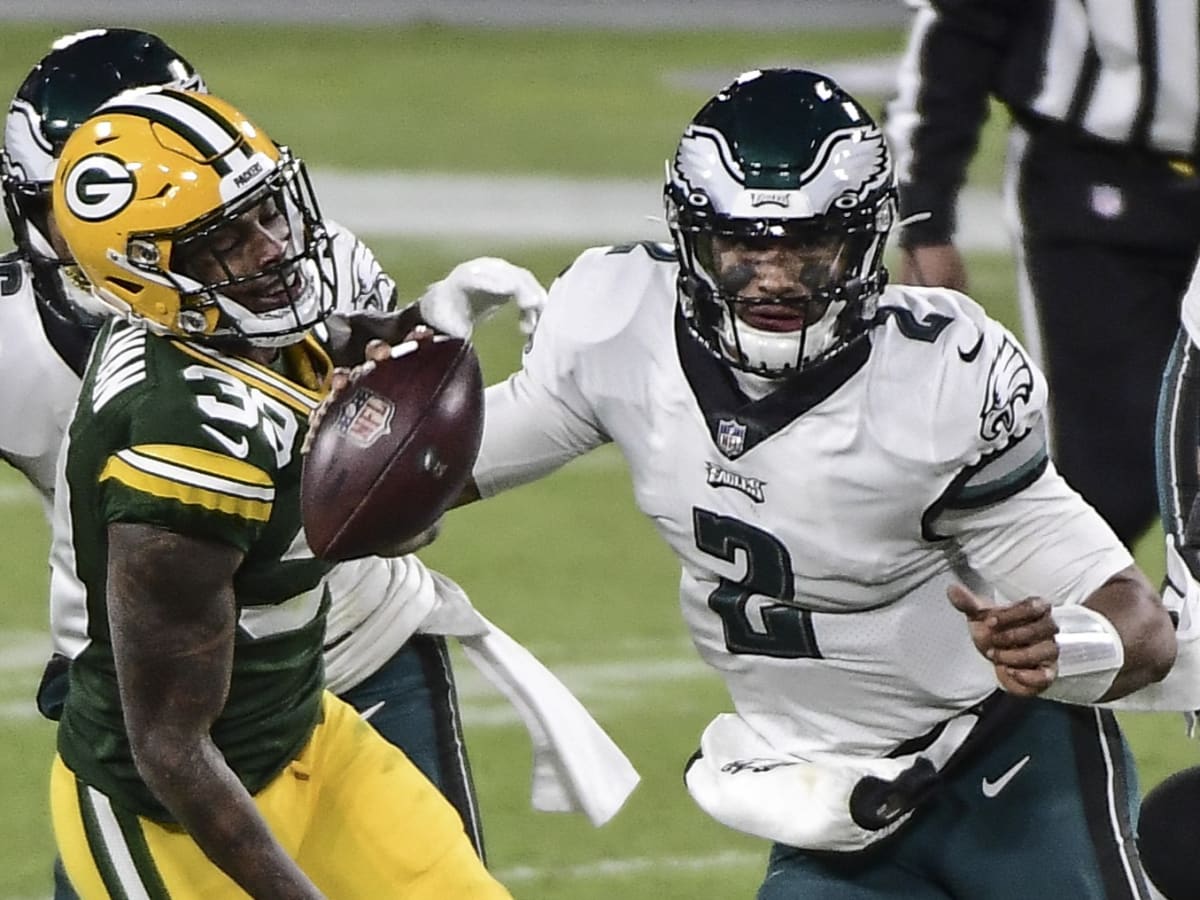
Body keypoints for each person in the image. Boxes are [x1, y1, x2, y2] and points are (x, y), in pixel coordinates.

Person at [329, 68, 1178, 898]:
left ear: (863, 239)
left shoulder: (940, 382)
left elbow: (1139, 627)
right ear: (691, 237)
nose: (773, 277)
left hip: (1007, 762)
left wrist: (1065, 647)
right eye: (744, 243)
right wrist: (354, 415)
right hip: (824, 795)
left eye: (810, 244)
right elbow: (411, 484)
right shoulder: (617, 324)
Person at [4, 27, 635, 899]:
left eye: (263, 212)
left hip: (315, 696)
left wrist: (410, 339)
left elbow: (337, 409)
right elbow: (170, 747)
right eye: (230, 237)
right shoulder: (178, 439)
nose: (270, 248)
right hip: (167, 759)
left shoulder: (255, 286)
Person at [882, 0, 1200, 548]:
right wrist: (926, 212)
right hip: (1095, 182)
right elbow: (962, 20)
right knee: (1105, 474)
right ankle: (1060, 626)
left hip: (1096, 185)